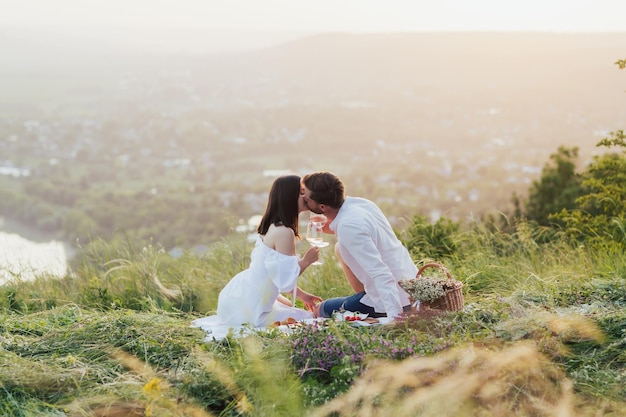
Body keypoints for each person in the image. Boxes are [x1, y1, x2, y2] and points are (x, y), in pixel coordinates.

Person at [191, 174, 323, 340]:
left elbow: (276, 275)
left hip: (241, 293)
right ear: (290, 196)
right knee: (309, 320)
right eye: (301, 192)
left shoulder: (273, 225)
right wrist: (307, 261)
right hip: (249, 303)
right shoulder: (284, 232)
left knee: (289, 307)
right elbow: (285, 280)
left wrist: (303, 296)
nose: (306, 196)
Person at [301, 171, 417, 320]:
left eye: (307, 198)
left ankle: (374, 308)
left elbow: (381, 274)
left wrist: (395, 318)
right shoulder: (362, 204)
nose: (304, 199)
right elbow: (354, 229)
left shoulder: (348, 226)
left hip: (396, 299)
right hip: (409, 286)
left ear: (322, 207)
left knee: (320, 310)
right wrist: (327, 226)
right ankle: (363, 298)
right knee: (339, 248)